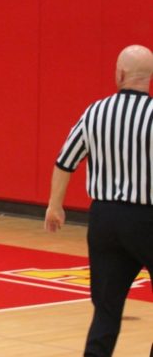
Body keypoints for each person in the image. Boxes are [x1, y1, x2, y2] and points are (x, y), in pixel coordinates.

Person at [44, 44, 153, 357]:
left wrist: (55, 205)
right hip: (148, 219)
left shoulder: (95, 112)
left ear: (119, 74)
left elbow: (66, 160)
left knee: (106, 310)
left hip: (104, 220)